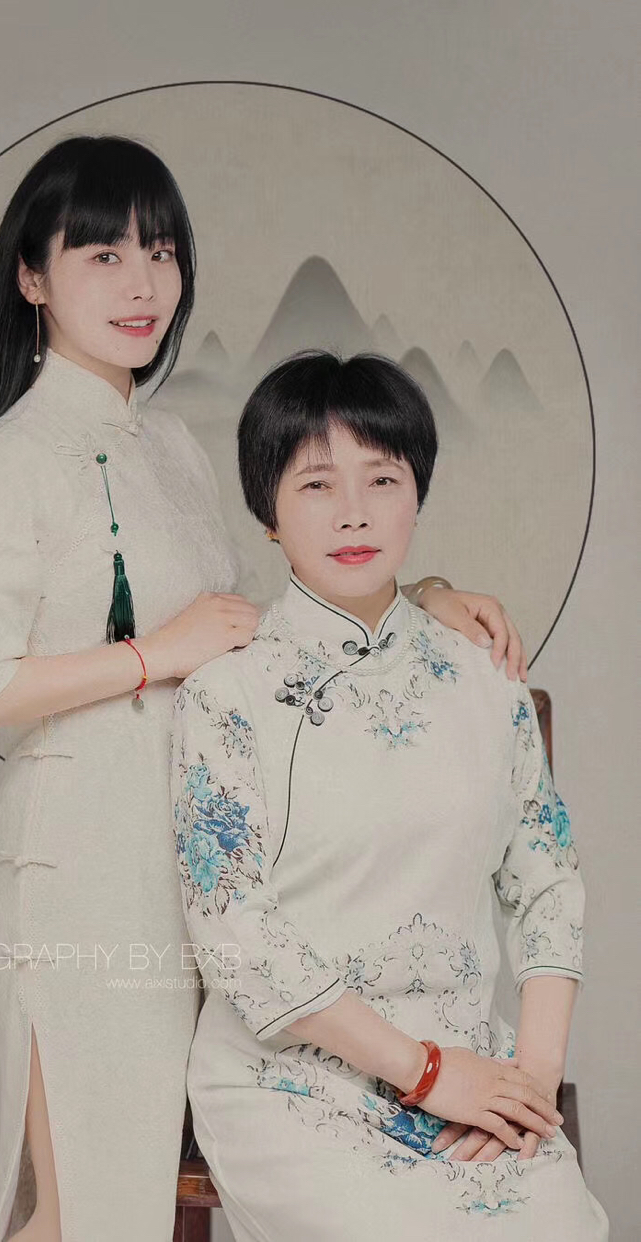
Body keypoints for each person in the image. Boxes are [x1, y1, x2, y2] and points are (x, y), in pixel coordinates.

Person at [0, 136, 530, 1242]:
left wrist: (423, 591)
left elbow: (260, 622)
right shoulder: (8, 458)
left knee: (121, 1202)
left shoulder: (171, 446)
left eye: (161, 252)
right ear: (33, 278)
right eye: (102, 255)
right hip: (81, 866)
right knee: (91, 1206)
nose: (142, 283)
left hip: (188, 860)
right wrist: (157, 653)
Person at [169, 351, 608, 1240]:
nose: (354, 512)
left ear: (418, 494)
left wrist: (528, 1080)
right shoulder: (227, 692)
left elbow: (549, 883)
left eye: (382, 479)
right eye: (316, 485)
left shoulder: (486, 678)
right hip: (291, 1075)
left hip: (474, 1068)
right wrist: (426, 1074)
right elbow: (238, 935)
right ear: (267, 514)